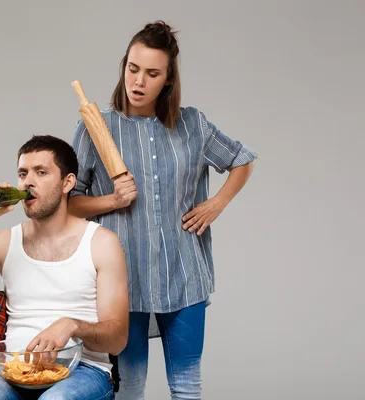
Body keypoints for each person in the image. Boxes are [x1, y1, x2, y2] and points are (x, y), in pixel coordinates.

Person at [69, 21, 258, 399]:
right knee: (130, 387)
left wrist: (215, 204)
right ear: (124, 66)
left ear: (168, 81)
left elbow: (242, 159)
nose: (138, 81)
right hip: (123, 281)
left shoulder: (192, 124)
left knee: (187, 387)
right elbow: (70, 203)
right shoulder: (95, 128)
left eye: (152, 73)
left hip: (184, 275)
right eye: (133, 69)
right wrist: (113, 201)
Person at [0, 135, 129, 400]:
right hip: (15, 369)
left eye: (41, 172)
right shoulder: (2, 243)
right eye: (23, 173)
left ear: (67, 183)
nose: (28, 182)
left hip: (85, 370)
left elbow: (117, 340)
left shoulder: (101, 243)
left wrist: (72, 325)